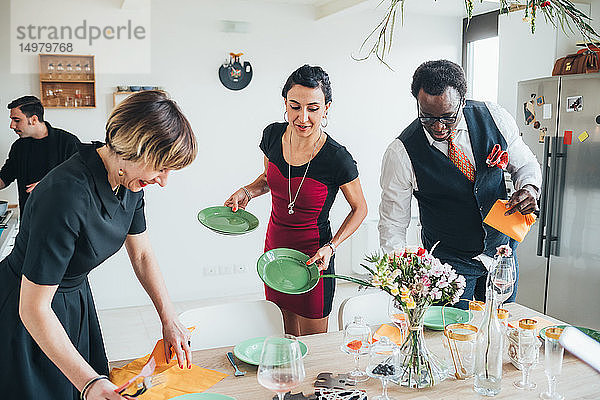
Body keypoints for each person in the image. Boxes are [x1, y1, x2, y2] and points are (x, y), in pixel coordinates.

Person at [0, 91, 197, 400]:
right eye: (161, 168)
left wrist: (169, 318)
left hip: (73, 300)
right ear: (135, 150)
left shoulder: (128, 182)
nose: (164, 181)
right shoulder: (65, 195)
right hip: (27, 308)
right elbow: (33, 308)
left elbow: (142, 255)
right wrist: (89, 383)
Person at [378, 60, 541, 309]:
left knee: (499, 330)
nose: (438, 127)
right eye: (427, 117)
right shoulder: (401, 152)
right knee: (450, 339)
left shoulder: (494, 118)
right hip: (447, 265)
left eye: (447, 117)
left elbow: (525, 164)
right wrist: (401, 276)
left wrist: (529, 187)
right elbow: (393, 223)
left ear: (462, 101)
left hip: (501, 254)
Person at [225, 65, 367, 336]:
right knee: (282, 334)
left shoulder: (337, 158)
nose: (303, 117)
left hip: (315, 257)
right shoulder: (272, 136)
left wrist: (332, 246)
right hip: (275, 250)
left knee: (314, 346)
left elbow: (360, 208)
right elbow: (268, 179)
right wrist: (247, 191)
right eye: (295, 106)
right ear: (286, 105)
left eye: (313, 108)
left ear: (327, 108)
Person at [1, 96, 80, 211]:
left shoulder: (68, 142)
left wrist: (48, 185)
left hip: (62, 218)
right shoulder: (19, 146)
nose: (12, 125)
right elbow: (5, 177)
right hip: (29, 219)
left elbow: (81, 180)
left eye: (17, 120)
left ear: (33, 119)